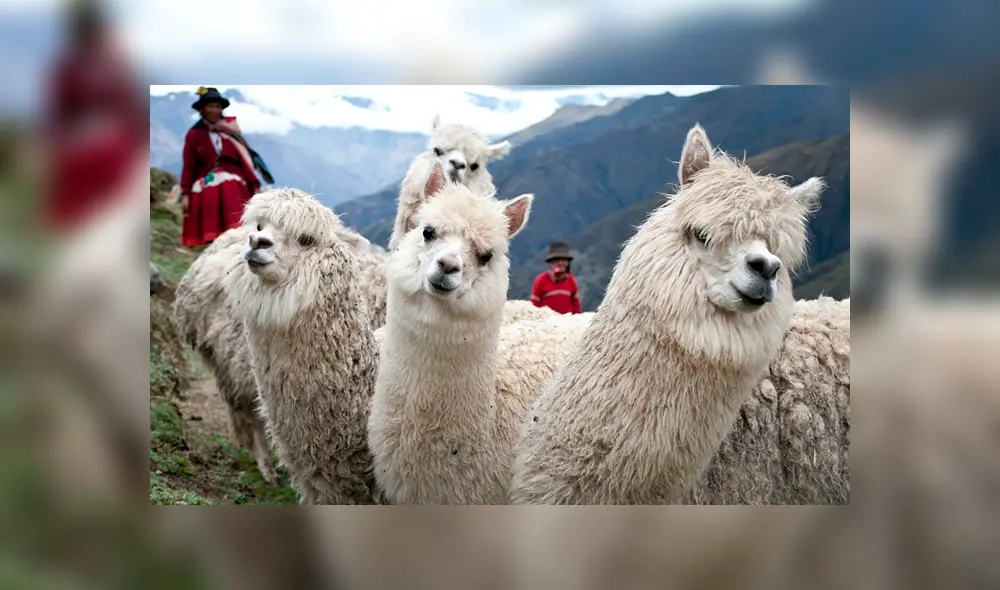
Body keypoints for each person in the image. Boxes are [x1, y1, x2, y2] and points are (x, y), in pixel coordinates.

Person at [43, 0, 146, 234]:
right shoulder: (69, 69)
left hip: (118, 144)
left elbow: (131, 107)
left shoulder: (116, 66)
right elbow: (60, 114)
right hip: (84, 145)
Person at [180, 86, 273, 248]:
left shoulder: (231, 131)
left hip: (234, 178)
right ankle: (214, 243)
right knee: (209, 189)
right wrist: (185, 193)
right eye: (211, 106)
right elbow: (189, 165)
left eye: (218, 106)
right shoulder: (194, 134)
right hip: (206, 178)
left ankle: (237, 241)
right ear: (202, 109)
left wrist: (254, 185)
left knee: (230, 186)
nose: (215, 110)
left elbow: (244, 159)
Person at [531, 242, 582, 314]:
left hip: (568, 320)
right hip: (547, 320)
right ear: (550, 263)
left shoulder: (571, 280)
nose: (560, 263)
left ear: (567, 263)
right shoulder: (540, 280)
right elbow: (534, 306)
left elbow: (576, 306)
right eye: (557, 261)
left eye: (563, 260)